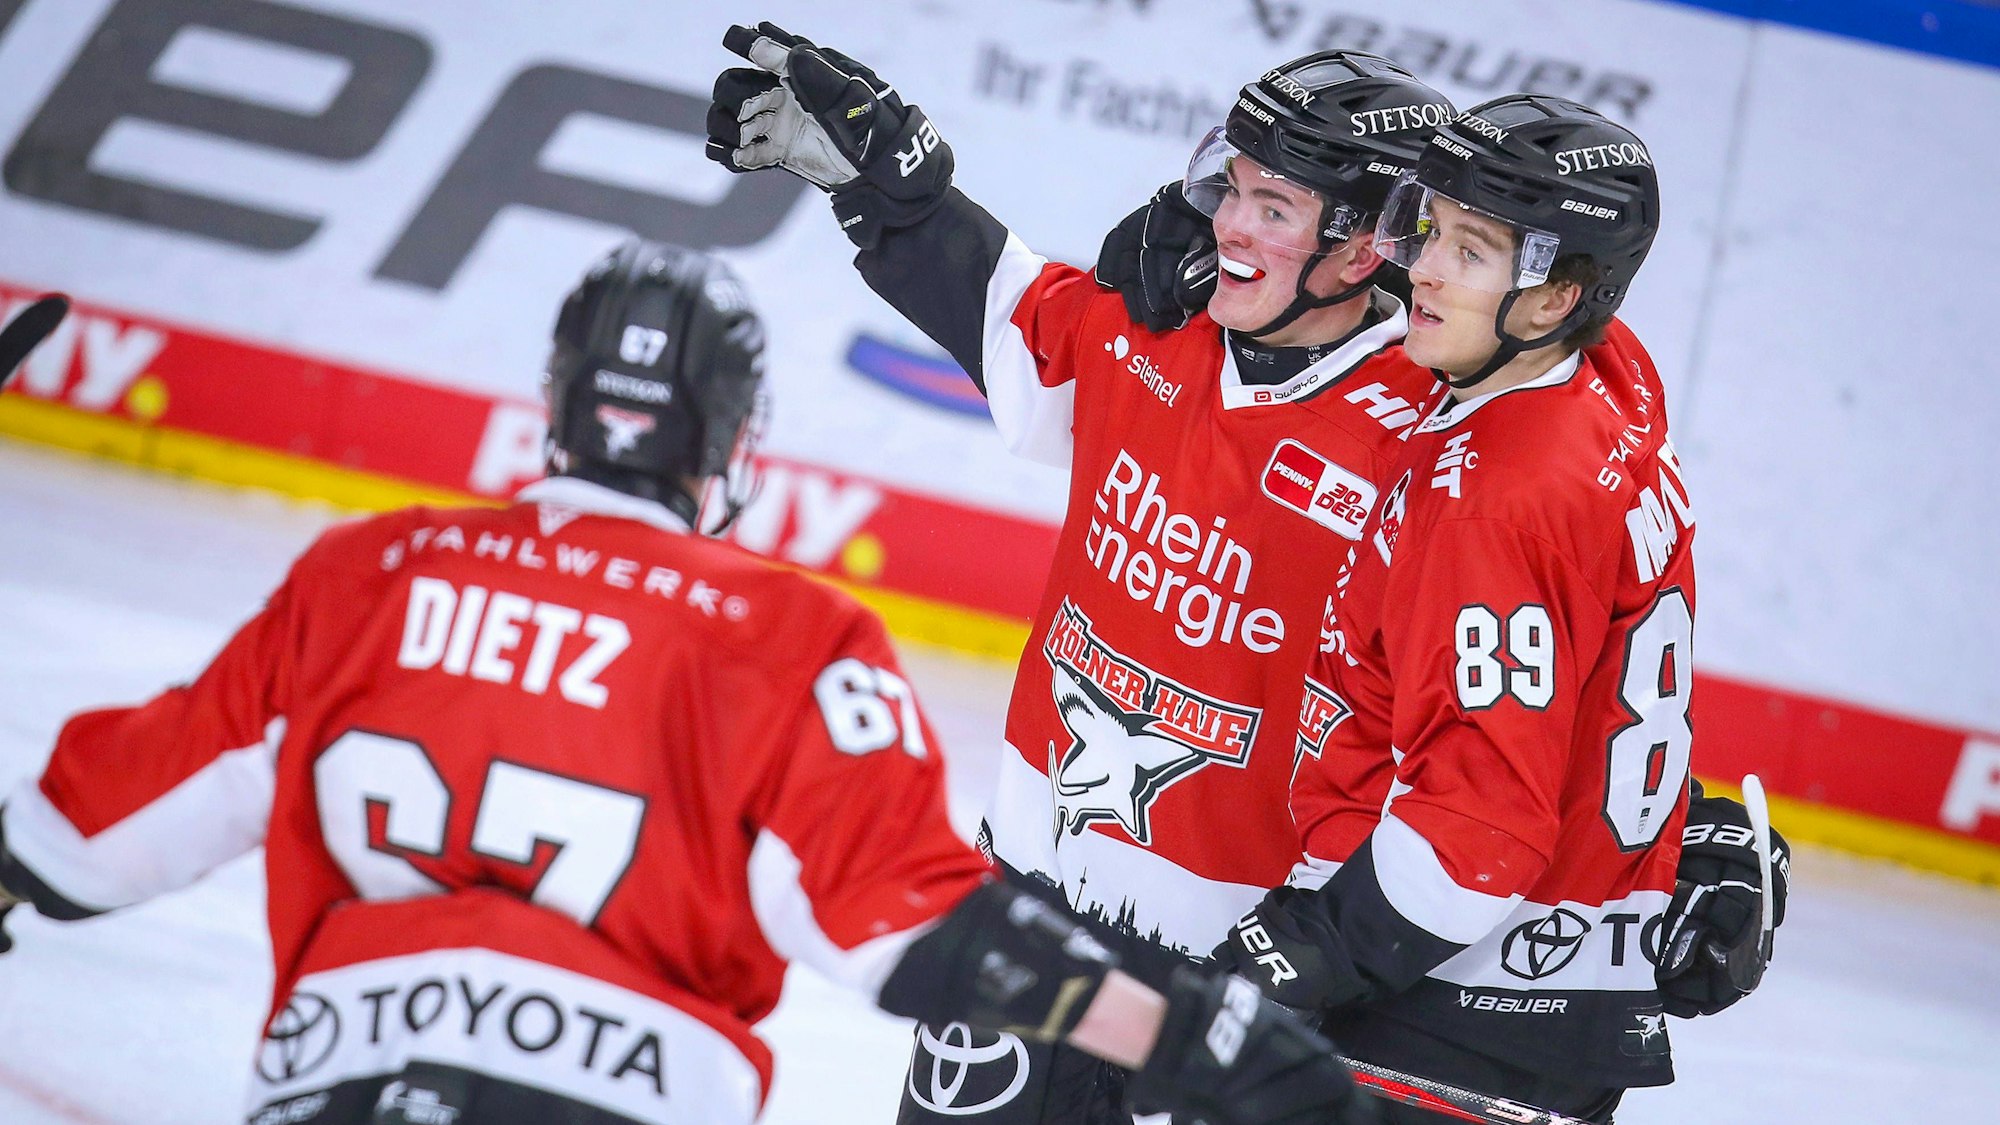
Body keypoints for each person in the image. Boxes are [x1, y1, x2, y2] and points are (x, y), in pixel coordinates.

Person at [0, 238, 1372, 1125]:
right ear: (734, 442)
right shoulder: (790, 637)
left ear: (552, 402)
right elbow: (924, 931)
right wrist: (1197, 1034)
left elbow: (90, 833)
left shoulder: (371, 574)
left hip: (339, 1083)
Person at [707, 24, 1456, 1124]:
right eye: (1230, 188)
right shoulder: (1151, 328)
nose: (1230, 229)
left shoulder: (1422, 445)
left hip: (1233, 978)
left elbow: (1503, 691)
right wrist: (891, 190)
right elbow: (1008, 315)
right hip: (1025, 918)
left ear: (1364, 251)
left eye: (1275, 209)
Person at [1198, 96, 1744, 1122]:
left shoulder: (1492, 490)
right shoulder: (1612, 381)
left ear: (1549, 303)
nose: (1425, 270)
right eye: (1432, 232)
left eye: (1473, 252)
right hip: (1567, 992)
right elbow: (1578, 658)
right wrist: (1684, 817)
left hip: (1442, 1011)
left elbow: (1475, 829)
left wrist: (1300, 955)